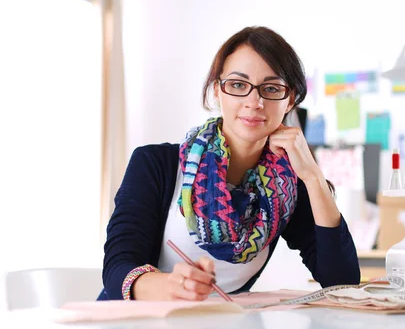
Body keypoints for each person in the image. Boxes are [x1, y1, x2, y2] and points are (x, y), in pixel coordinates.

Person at [98, 26, 360, 301]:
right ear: (217, 92)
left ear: (290, 99)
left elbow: (341, 282)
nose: (254, 101)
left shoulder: (285, 187)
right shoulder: (154, 164)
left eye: (271, 88)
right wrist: (173, 286)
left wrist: (313, 177)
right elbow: (117, 270)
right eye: (238, 85)